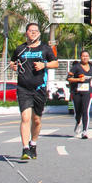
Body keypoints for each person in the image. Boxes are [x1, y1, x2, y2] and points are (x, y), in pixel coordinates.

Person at [10, 22, 58, 160]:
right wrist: (14, 66)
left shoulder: (45, 48)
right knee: (25, 118)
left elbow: (55, 63)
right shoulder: (20, 49)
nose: (33, 33)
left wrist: (45, 64)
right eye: (31, 31)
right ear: (26, 33)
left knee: (36, 120)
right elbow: (12, 62)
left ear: (39, 33)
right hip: (23, 88)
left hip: (39, 88)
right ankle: (25, 148)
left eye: (36, 31)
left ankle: (33, 144)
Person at [67, 50, 92, 138]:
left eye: (87, 56)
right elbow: (69, 78)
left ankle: (85, 131)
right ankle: (78, 122)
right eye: (83, 56)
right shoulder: (76, 67)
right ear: (80, 57)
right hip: (76, 92)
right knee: (78, 112)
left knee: (85, 111)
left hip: (87, 93)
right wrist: (78, 80)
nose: (85, 57)